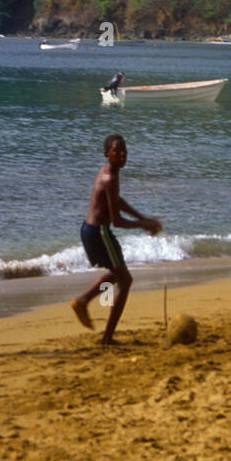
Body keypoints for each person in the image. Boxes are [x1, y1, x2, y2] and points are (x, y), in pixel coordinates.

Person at [71, 134, 161, 345]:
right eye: (117, 151)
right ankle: (107, 338)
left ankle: (83, 302)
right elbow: (117, 221)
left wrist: (142, 217)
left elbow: (116, 201)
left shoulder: (108, 172)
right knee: (125, 280)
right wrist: (144, 224)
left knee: (117, 274)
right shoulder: (109, 178)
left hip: (91, 230)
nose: (122, 155)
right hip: (99, 232)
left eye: (124, 151)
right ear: (106, 154)